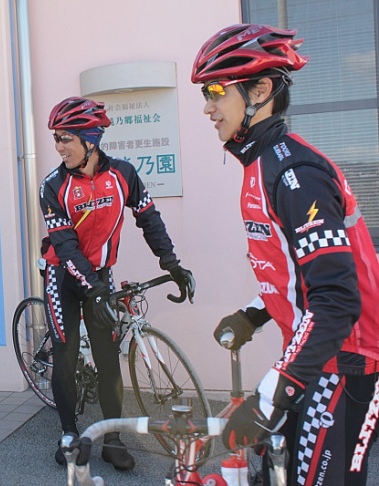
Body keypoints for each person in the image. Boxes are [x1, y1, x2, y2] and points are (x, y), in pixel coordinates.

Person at [192, 24, 379, 486]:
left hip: (348, 361)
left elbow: (336, 298)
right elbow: (297, 272)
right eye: (205, 93)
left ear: (260, 90)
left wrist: (271, 395)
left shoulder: (294, 172)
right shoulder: (262, 163)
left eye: (216, 90)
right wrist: (255, 315)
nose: (207, 106)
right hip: (317, 357)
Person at [40, 97, 195, 471]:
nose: (59, 147)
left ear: (90, 140)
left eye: (65, 138)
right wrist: (94, 289)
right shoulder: (53, 185)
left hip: (99, 276)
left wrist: (171, 262)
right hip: (63, 276)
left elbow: (149, 218)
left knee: (109, 360)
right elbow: (66, 246)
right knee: (65, 352)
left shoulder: (123, 174)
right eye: (56, 139)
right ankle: (67, 433)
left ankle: (112, 438)